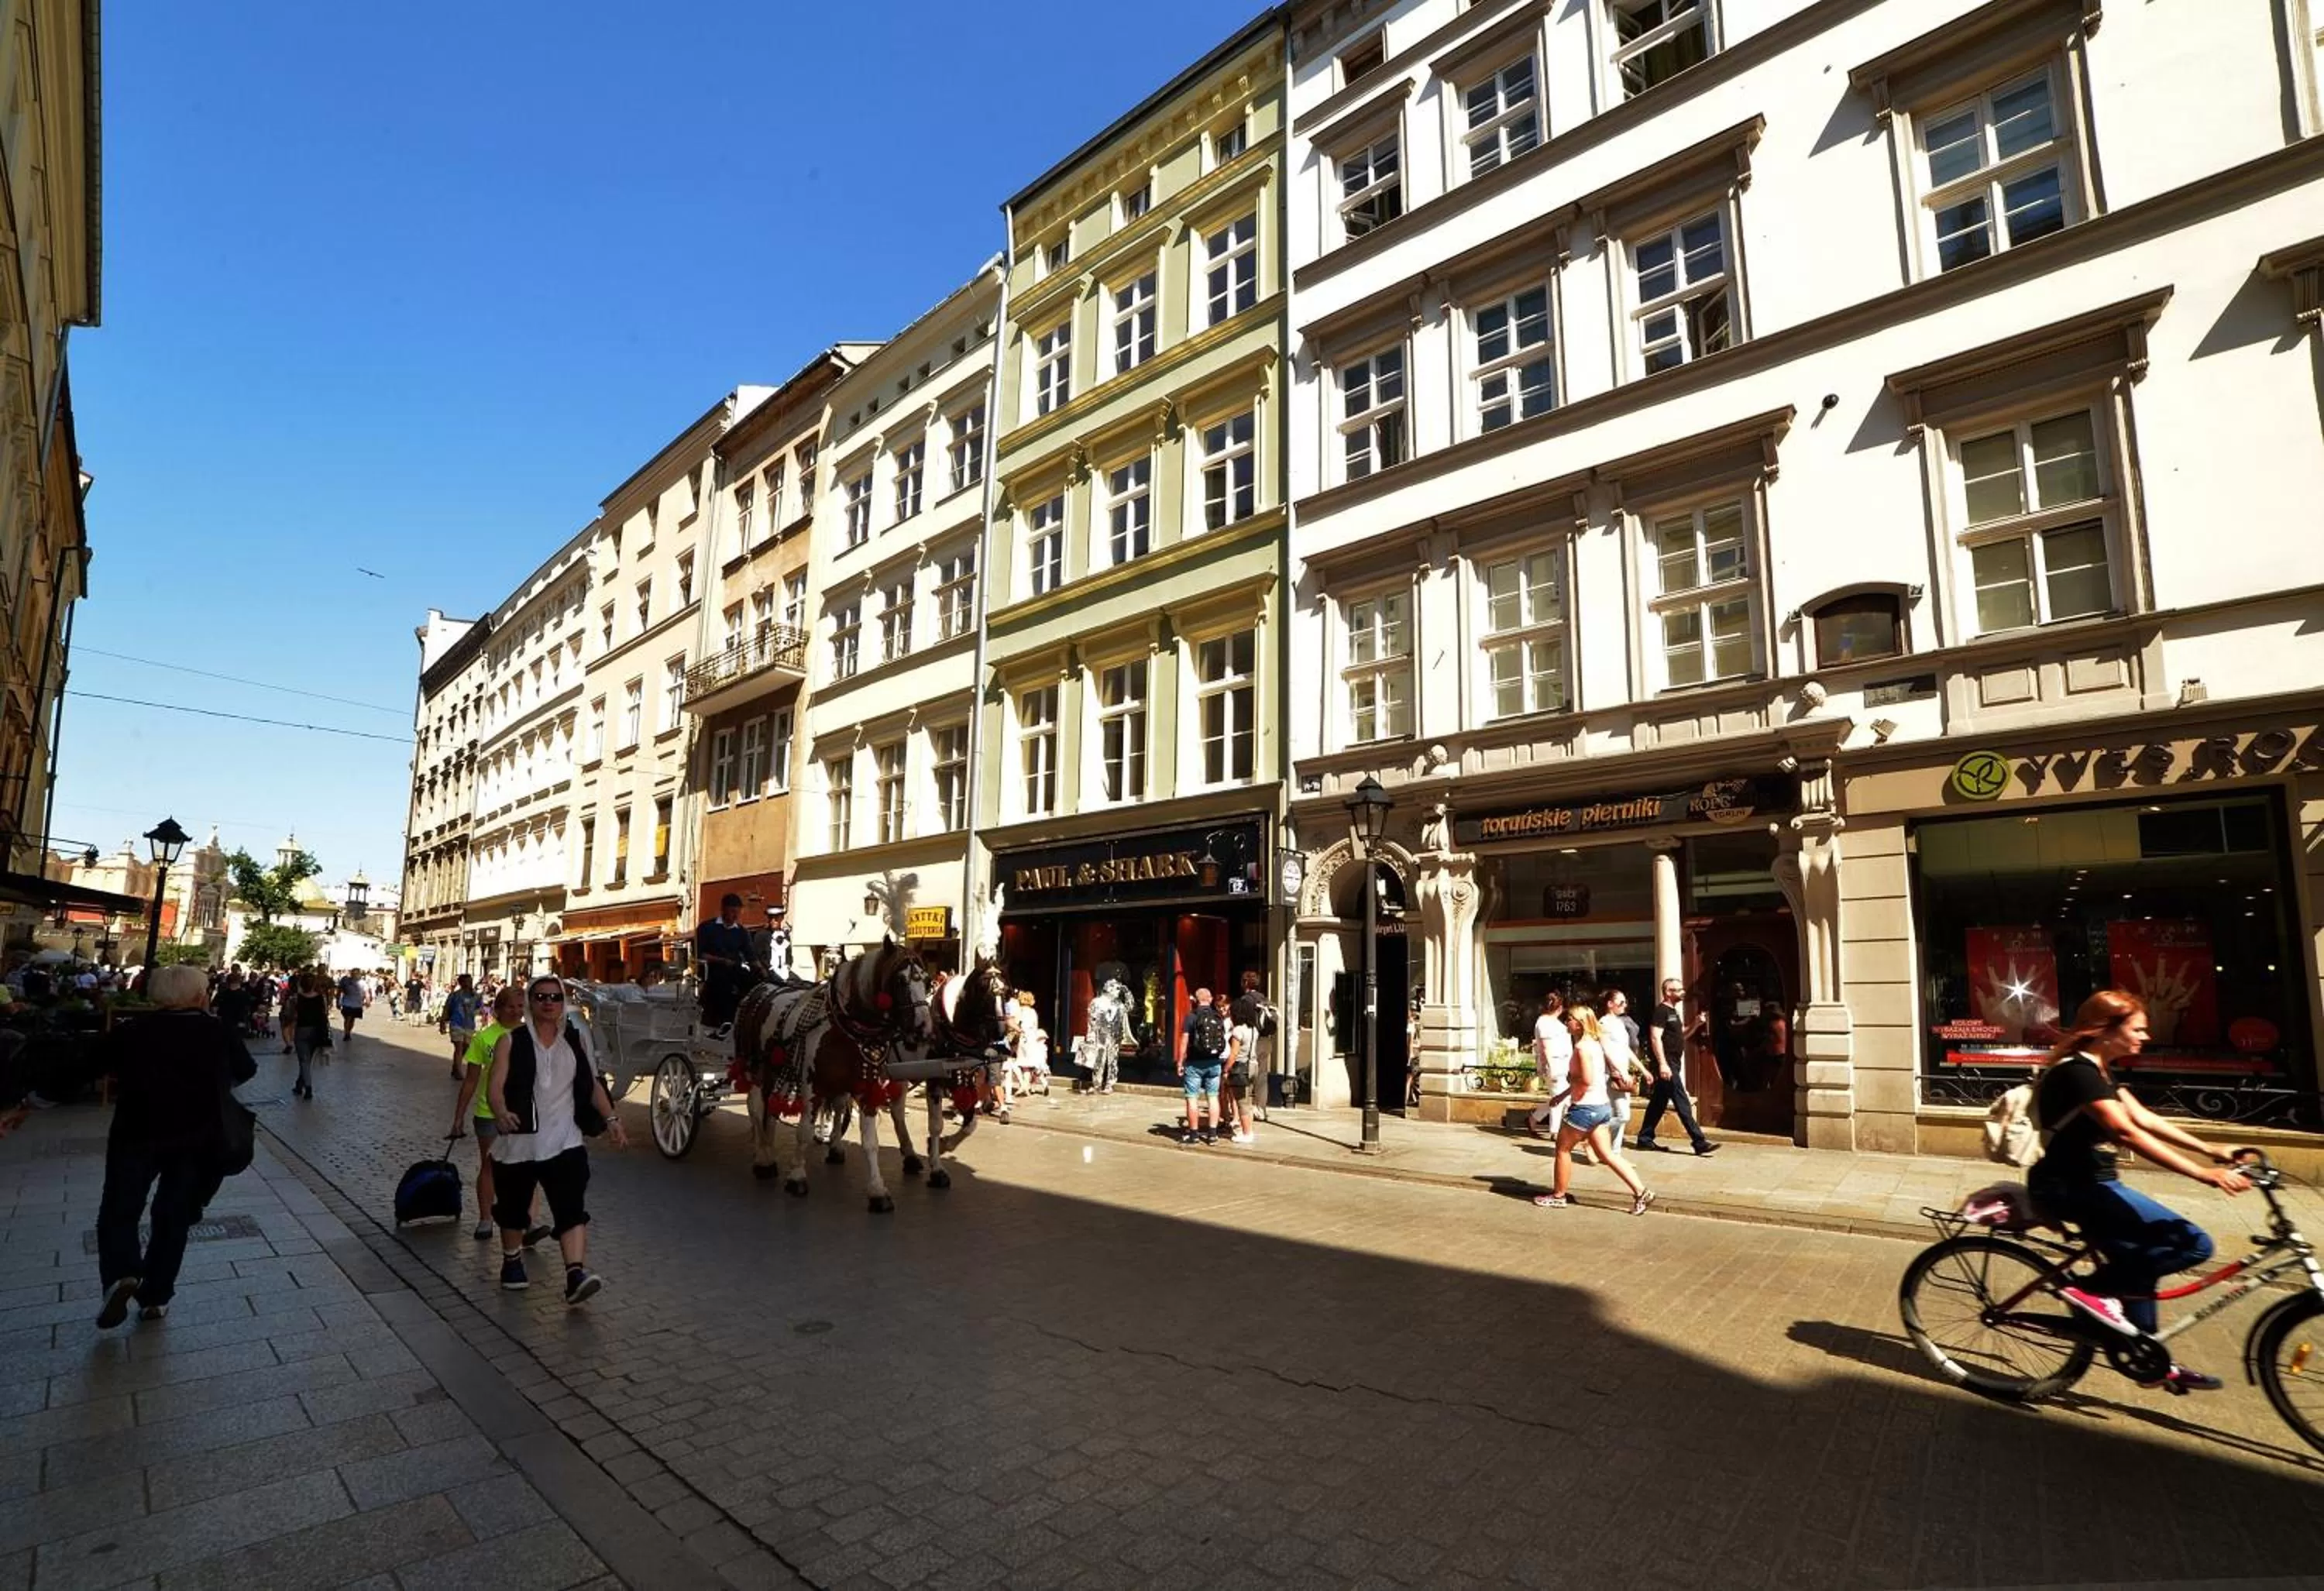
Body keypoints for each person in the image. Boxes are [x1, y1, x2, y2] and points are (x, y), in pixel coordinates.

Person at [2029, 989, 2251, 1392]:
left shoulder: (2100, 1070)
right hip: (2069, 1187)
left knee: (2142, 1261)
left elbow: (2145, 1118)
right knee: (2193, 1243)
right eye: (2138, 1029)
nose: (2145, 1036)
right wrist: (2204, 1174)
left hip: (2094, 1184)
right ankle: (2087, 1292)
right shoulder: (2075, 1072)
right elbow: (2125, 1131)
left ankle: (2147, 1352)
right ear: (2105, 1030)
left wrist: (2212, 1148)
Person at [86, 965, 257, 1325]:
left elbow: (86, 1065)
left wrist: (32, 1100)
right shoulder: (217, 1032)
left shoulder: (132, 1031)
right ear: (199, 996)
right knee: (172, 1215)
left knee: (120, 1208)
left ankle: (122, 1273)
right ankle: (157, 1296)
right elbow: (246, 1069)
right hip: (197, 1138)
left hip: (137, 1132)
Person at [486, 975, 628, 1302]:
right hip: (520, 1141)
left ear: (563, 1003)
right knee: (513, 1210)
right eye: (540, 997)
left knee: (571, 1208)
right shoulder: (512, 1040)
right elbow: (495, 1085)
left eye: (555, 997)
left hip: (566, 1141)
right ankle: (511, 1261)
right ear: (531, 1003)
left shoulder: (574, 1040)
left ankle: (575, 1273)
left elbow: (592, 1084)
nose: (548, 1003)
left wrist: (612, 1119)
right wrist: (500, 1111)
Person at [1532, 1000, 1653, 1215]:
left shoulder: (1581, 1047)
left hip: (1585, 1108)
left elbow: (1585, 1079)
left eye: (1570, 1019)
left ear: (1579, 1023)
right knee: (1607, 1154)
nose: (1567, 1022)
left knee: (1562, 1150)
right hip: (1602, 1106)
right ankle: (1641, 1191)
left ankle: (1558, 1196)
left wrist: (1575, 1098)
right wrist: (1562, 1095)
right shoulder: (1596, 1044)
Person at [450, 985, 547, 1244]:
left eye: (519, 1006)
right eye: (510, 1006)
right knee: (491, 1166)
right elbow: (471, 1080)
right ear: (499, 1009)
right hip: (488, 1111)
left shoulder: (534, 1037)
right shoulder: (485, 1038)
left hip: (525, 1111)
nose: (515, 1011)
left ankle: (530, 1223)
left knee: (528, 1167)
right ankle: (485, 1218)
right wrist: (459, 1117)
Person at [1637, 977, 1717, 1156]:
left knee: (1658, 1102)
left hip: (1674, 1062)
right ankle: (1699, 1141)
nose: (1683, 992)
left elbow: (1681, 1036)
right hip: (1667, 1063)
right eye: (1678, 990)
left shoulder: (1673, 1012)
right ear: (1668, 992)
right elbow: (1655, 1037)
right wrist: (1663, 1064)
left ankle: (1645, 1138)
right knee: (1682, 1101)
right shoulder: (1661, 1011)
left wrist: (1696, 1024)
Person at [1176, 985, 1227, 1145]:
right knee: (1213, 1097)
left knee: (1192, 1098)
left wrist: (1180, 1061)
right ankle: (1212, 1134)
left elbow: (1184, 1040)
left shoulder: (1191, 1017)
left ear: (1195, 1000)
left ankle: (1194, 1135)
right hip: (1214, 1063)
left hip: (1194, 1064)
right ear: (1210, 999)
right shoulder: (1217, 1016)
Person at [1599, 988, 1648, 1156]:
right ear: (1610, 1004)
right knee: (1623, 1115)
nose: (1624, 1006)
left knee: (1620, 1113)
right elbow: (1606, 1050)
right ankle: (1593, 1135)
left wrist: (1643, 1069)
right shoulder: (1604, 1023)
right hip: (1613, 1075)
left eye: (1625, 1002)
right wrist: (1618, 1071)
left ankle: (1614, 1153)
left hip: (1623, 1073)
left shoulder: (1619, 1023)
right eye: (1621, 1002)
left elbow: (1626, 1050)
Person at [696, 894, 754, 1028]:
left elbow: (751, 956)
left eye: (738, 912)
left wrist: (762, 970)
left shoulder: (741, 932)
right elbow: (700, 954)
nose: (735, 916)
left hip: (734, 975)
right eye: (732, 911)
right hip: (712, 975)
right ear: (723, 910)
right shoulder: (707, 928)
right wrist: (722, 961)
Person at [1524, 991, 1572, 1142]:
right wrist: (1549, 1067)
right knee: (1560, 1097)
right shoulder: (1544, 1022)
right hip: (1554, 1064)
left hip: (1562, 1064)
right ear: (1560, 1008)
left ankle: (1534, 1118)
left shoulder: (1555, 1023)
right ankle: (1555, 1131)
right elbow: (1545, 1048)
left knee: (1561, 1097)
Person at [1225, 994, 1263, 1145]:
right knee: (1249, 1100)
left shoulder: (1237, 1031)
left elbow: (1234, 1053)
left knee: (1242, 1102)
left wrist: (1226, 1069)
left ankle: (1246, 1133)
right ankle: (1249, 1129)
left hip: (1241, 1068)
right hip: (1253, 1065)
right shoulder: (1254, 1029)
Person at [290, 972, 332, 1099]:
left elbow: (293, 1015)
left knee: (304, 1061)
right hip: (317, 1031)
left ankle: (308, 1088)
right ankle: (299, 1084)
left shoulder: (297, 998)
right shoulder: (321, 997)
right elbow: (325, 1013)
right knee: (308, 1061)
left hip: (302, 1030)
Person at [440, 973, 480, 1081]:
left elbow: (479, 1007)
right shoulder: (455, 995)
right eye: (467, 981)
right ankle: (458, 1071)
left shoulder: (475, 996)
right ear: (461, 983)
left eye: (471, 981)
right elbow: (447, 1008)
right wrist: (442, 1023)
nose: (469, 983)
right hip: (456, 1023)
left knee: (466, 1047)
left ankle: (455, 1067)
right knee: (459, 1047)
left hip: (469, 1025)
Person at [336, 969, 366, 1040]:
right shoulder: (345, 980)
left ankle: (348, 1032)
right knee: (348, 1018)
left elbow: (366, 992)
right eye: (353, 973)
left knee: (352, 1019)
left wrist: (366, 1000)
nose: (355, 975)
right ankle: (346, 1033)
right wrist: (338, 1001)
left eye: (357, 973)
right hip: (347, 1003)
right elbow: (339, 990)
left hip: (357, 1004)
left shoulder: (362, 982)